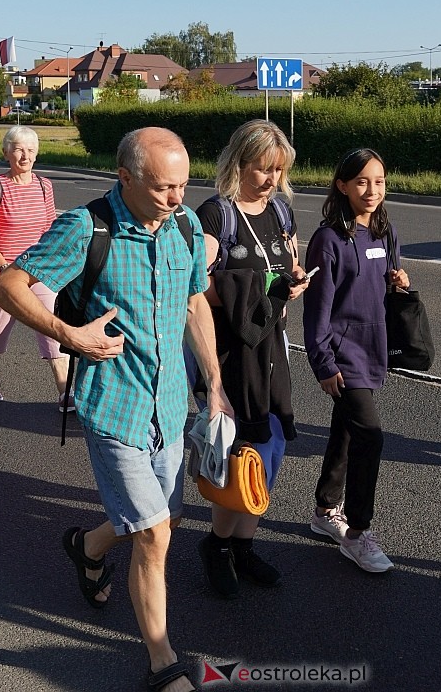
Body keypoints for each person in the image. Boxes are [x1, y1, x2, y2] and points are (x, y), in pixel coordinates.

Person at [0, 126, 232, 692]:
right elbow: (10, 286)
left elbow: (195, 300)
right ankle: (161, 661)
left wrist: (214, 384)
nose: (177, 199)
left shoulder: (187, 227)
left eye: (182, 185)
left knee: (157, 521)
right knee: (154, 533)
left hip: (170, 407)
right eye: (162, 187)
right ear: (124, 177)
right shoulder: (86, 227)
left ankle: (86, 546)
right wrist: (67, 333)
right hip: (114, 406)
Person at [193, 119, 308, 598]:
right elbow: (197, 286)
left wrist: (294, 283)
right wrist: (262, 290)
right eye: (262, 169)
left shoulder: (281, 212)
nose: (271, 179)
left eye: (278, 170)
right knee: (240, 453)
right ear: (238, 164)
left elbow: (289, 266)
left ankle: (243, 544)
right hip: (227, 350)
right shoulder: (218, 215)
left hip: (270, 346)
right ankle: (218, 545)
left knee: (272, 446)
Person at [303, 148, 410, 573]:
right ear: (342, 186)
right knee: (370, 436)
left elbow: (387, 293)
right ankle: (357, 532)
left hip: (374, 348)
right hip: (343, 355)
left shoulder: (385, 232)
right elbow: (318, 310)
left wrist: (401, 282)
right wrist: (323, 363)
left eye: (379, 182)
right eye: (362, 182)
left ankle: (325, 509)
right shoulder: (329, 240)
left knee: (347, 430)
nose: (372, 190)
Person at [0, 125, 66, 406]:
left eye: (30, 150)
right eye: (18, 150)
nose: (24, 156)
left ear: (36, 155)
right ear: (6, 154)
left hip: (37, 274)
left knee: (53, 327)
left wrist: (56, 264)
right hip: (2, 273)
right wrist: (4, 270)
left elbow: (50, 228)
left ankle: (65, 390)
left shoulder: (43, 185)